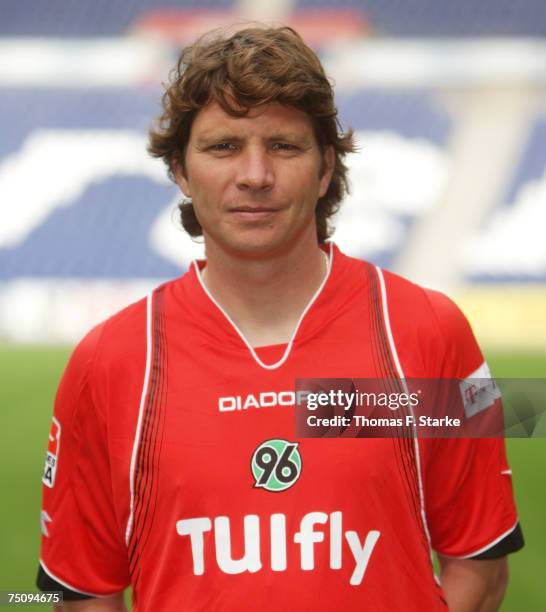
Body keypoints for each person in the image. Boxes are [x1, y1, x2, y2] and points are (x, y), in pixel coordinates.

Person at [37, 26, 523, 611]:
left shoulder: (428, 331)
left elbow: (480, 563)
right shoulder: (108, 362)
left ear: (324, 171)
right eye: (223, 147)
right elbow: (85, 591)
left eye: (284, 146)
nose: (254, 175)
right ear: (181, 173)